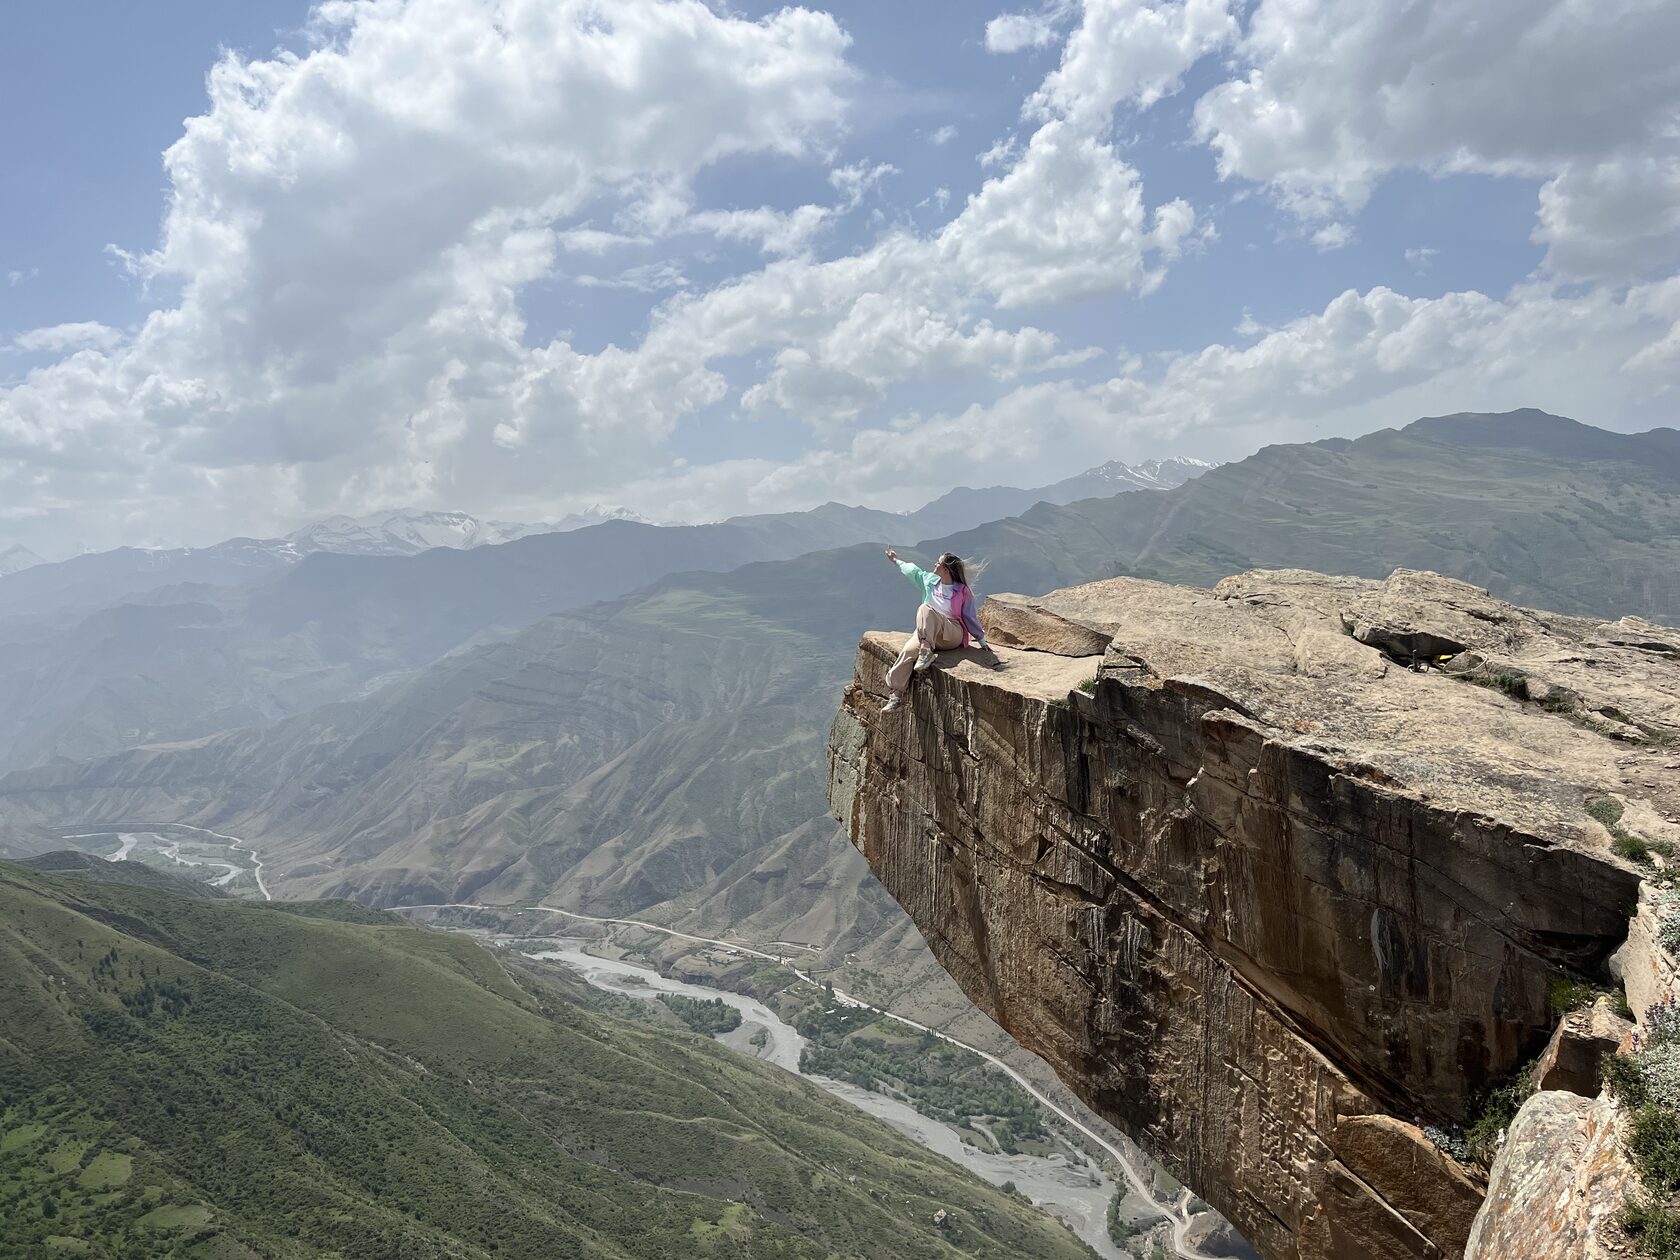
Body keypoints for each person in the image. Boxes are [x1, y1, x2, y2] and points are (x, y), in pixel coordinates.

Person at [881, 549, 989, 713]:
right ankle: (896, 695)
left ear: (946, 570)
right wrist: (895, 560)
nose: (935, 564)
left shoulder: (961, 591)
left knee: (925, 609)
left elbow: (969, 616)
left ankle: (925, 651)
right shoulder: (930, 581)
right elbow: (913, 571)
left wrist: (981, 640)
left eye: (939, 563)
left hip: (952, 632)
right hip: (929, 634)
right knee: (908, 651)